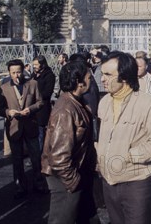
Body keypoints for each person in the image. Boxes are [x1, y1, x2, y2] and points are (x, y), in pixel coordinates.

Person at [97, 51, 151, 224]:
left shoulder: (149, 105)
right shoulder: (104, 102)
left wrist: (128, 156)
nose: (102, 79)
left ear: (124, 77)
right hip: (108, 182)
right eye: (102, 74)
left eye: (108, 74)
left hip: (135, 184)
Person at [41, 60, 99, 224]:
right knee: (62, 219)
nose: (91, 80)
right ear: (79, 82)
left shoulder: (76, 102)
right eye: (88, 77)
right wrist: (73, 181)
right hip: (64, 177)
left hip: (75, 172)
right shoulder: (66, 109)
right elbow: (59, 158)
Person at [0, 59, 47, 198]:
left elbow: (41, 102)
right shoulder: (4, 87)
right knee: (17, 160)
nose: (16, 75)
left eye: (19, 72)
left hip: (31, 126)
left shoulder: (32, 84)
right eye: (13, 73)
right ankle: (20, 186)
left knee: (36, 158)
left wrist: (30, 109)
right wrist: (8, 113)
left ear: (23, 71)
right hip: (14, 128)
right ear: (9, 73)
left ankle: (39, 183)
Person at [32, 55, 56, 151]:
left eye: (36, 65)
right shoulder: (34, 75)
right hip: (33, 108)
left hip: (42, 109)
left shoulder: (49, 75)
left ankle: (40, 155)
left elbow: (47, 92)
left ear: (42, 64)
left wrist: (35, 95)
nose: (34, 66)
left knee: (41, 134)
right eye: (33, 64)